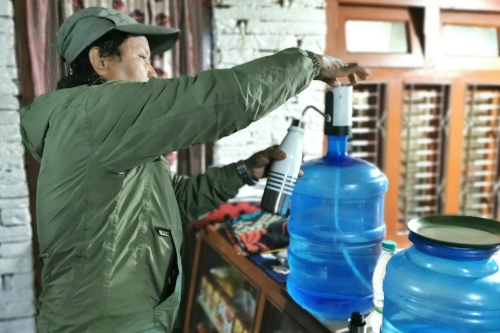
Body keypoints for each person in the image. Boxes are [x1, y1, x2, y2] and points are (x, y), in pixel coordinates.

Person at [19, 6, 369, 333]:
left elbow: (176, 201)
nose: (153, 71)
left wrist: (244, 171)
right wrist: (310, 64)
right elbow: (217, 100)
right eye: (142, 57)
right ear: (100, 61)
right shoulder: (92, 114)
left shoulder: (107, 132)